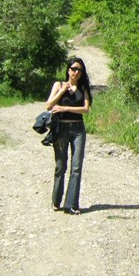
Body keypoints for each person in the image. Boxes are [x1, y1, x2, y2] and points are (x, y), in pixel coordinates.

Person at [45, 57, 92, 214]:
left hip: (78, 129)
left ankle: (71, 204)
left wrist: (65, 108)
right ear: (68, 69)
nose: (76, 72)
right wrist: (62, 91)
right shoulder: (59, 85)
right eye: (73, 69)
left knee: (76, 167)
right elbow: (49, 105)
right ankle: (56, 200)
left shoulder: (83, 88)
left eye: (79, 70)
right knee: (61, 165)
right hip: (61, 129)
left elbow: (85, 109)